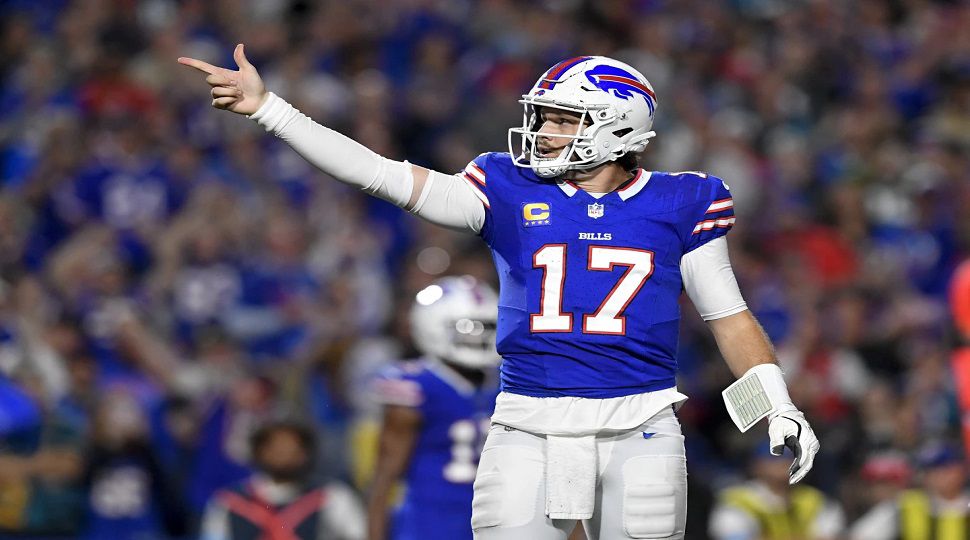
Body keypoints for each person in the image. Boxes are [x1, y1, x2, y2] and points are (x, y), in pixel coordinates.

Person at [179, 45, 820, 540]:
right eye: (543, 118)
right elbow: (382, 176)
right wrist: (270, 109)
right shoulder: (508, 185)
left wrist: (778, 405)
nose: (543, 132)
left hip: (640, 424)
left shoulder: (684, 199)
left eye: (563, 120)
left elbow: (728, 316)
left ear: (617, 127)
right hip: (526, 420)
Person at [367, 276, 501, 540]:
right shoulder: (416, 386)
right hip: (431, 520)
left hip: (497, 516)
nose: (479, 337)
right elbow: (384, 478)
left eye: (486, 328)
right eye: (468, 328)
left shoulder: (507, 380)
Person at [200, 419, 365, 540]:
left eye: (293, 449)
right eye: (277, 448)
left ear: (306, 454)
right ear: (259, 452)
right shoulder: (228, 502)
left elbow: (359, 534)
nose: (285, 455)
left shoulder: (333, 497)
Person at [709, 444, 844, 540]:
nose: (783, 465)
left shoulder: (813, 499)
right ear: (757, 466)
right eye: (774, 460)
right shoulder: (737, 500)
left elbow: (831, 535)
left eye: (788, 459)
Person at [849, 442, 970, 540]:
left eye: (944, 468)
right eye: (930, 471)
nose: (937, 476)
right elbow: (860, 535)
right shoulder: (906, 505)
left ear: (961, 470)